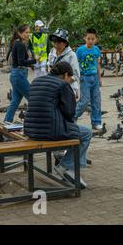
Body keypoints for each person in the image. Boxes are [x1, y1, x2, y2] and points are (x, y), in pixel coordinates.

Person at [24, 61, 91, 189]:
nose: (70, 80)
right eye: (70, 78)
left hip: (31, 131)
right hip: (51, 131)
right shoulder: (63, 85)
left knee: (75, 131)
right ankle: (66, 167)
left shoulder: (36, 81)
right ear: (65, 75)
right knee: (86, 133)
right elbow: (70, 113)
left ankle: (68, 166)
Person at [4, 25, 37, 123]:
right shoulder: (20, 44)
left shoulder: (16, 43)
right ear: (19, 33)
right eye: (26, 32)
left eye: (28, 32)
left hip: (16, 74)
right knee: (33, 99)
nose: (28, 34)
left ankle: (7, 122)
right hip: (19, 75)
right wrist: (35, 61)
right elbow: (21, 62)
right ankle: (33, 122)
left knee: (15, 102)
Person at [74, 28, 103, 130]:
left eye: (93, 39)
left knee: (96, 101)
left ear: (96, 39)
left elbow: (97, 64)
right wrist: (77, 79)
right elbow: (75, 65)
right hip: (84, 78)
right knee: (84, 101)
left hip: (94, 78)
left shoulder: (96, 50)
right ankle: (73, 118)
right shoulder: (80, 50)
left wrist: (99, 78)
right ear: (84, 38)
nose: (90, 41)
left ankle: (96, 122)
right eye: (88, 38)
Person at [48, 28, 80, 99]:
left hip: (68, 89)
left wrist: (63, 83)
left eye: (59, 43)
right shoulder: (52, 53)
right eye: (54, 42)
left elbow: (76, 75)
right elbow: (49, 68)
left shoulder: (71, 55)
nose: (56, 45)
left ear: (65, 43)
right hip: (55, 88)